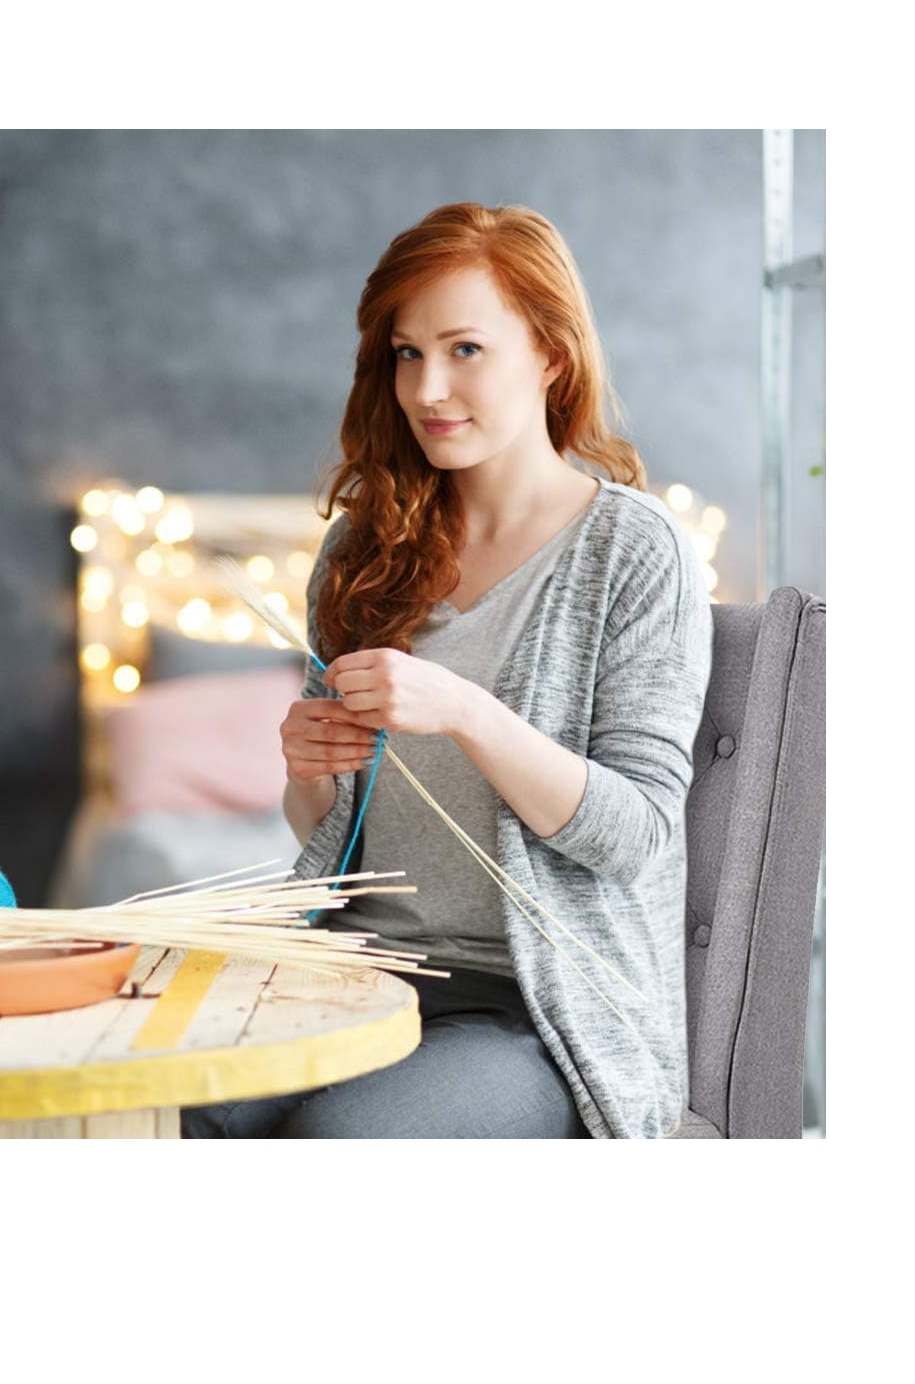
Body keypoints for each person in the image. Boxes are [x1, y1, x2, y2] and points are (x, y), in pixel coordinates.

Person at [181, 202, 713, 1138]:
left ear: (552, 355)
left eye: (466, 350)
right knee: (155, 1104)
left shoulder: (633, 549)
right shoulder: (366, 546)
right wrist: (308, 768)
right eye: (406, 353)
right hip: (355, 975)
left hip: (541, 1012)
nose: (428, 388)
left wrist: (468, 710)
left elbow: (635, 836)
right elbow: (326, 832)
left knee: (342, 1145)